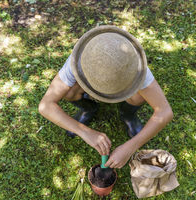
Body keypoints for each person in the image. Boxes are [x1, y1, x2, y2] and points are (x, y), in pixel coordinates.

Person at [38, 25, 173, 169]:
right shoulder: (79, 61)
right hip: (85, 88)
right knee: (68, 92)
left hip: (125, 85)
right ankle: (88, 109)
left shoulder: (135, 68)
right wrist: (84, 131)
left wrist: (130, 147)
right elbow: (45, 106)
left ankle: (128, 116)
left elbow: (165, 112)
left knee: (140, 96)